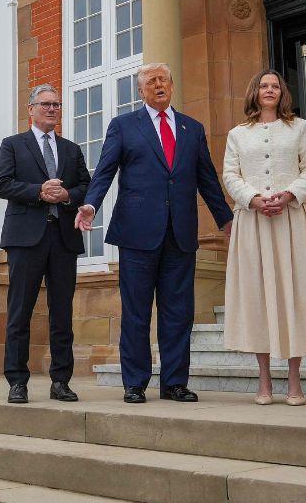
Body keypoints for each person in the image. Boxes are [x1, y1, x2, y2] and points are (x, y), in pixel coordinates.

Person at [77, 63, 232, 404]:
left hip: (180, 233)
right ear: (140, 90)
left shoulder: (192, 129)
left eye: (163, 79)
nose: (158, 84)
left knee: (179, 311)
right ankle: (135, 382)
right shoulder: (123, 126)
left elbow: (206, 178)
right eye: (151, 81)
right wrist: (91, 205)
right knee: (136, 311)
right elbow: (104, 172)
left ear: (172, 86)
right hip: (137, 233)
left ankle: (175, 383)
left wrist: (225, 219)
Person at [222, 70, 306, 406]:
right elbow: (230, 174)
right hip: (253, 224)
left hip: (291, 221)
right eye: (263, 85)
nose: (269, 90)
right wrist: (253, 199)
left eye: (275, 86)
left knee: (293, 295)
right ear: (255, 93)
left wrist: (289, 194)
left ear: (282, 93)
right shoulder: (237, 134)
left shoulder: (299, 128)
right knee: (258, 297)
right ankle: (263, 383)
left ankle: (294, 382)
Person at [0, 84, 90, 404]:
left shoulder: (72, 150)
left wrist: (67, 195)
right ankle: (17, 382)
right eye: (45, 104)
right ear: (31, 109)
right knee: (19, 311)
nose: (52, 109)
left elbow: (85, 188)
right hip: (25, 239)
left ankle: (61, 381)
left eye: (56, 105)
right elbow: (2, 184)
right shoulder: (13, 145)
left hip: (63, 238)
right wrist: (39, 191)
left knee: (61, 313)